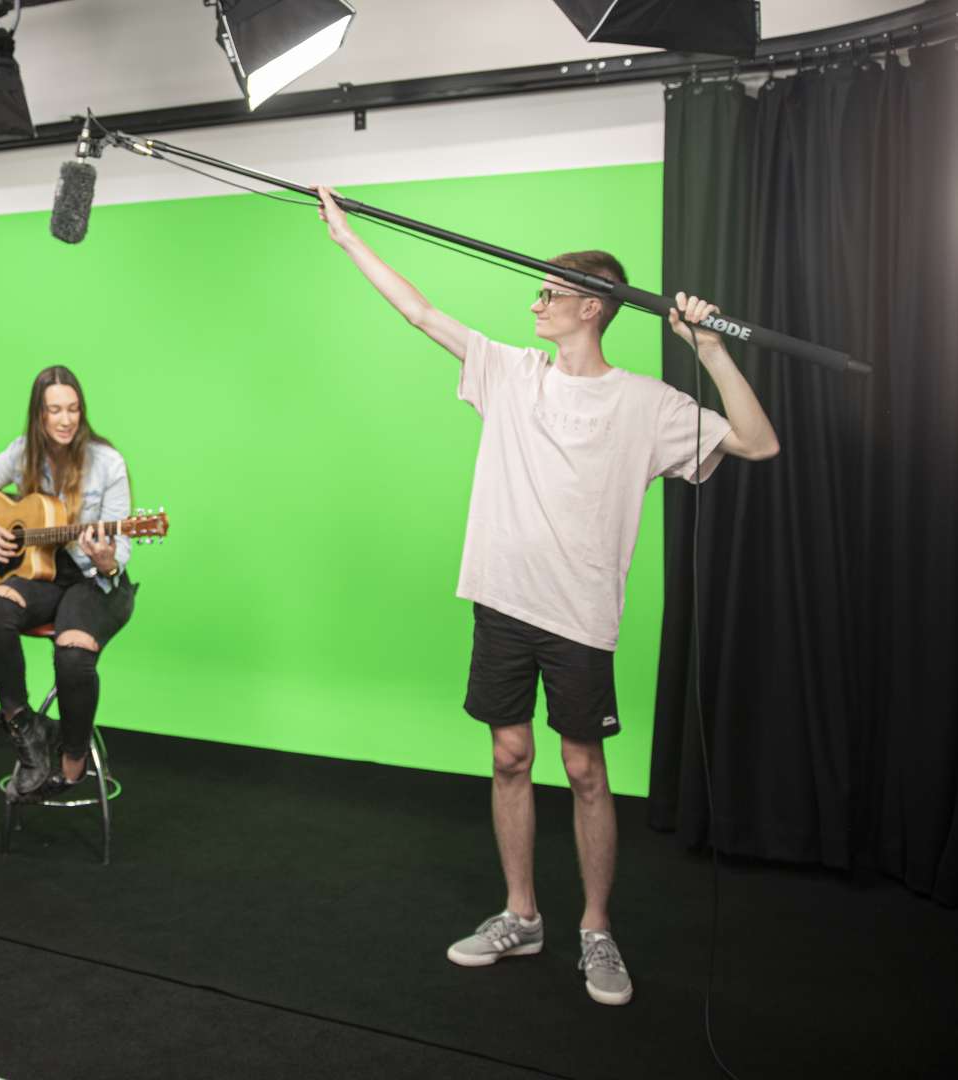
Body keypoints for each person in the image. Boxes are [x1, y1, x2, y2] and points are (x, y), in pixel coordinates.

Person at [315, 186, 780, 1007]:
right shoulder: (509, 372)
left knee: (584, 768)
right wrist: (348, 240)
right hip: (501, 601)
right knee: (509, 757)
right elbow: (422, 313)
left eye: (550, 292)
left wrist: (707, 348)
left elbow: (755, 440)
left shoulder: (646, 404)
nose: (536, 301)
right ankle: (520, 915)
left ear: (593, 307)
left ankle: (595, 930)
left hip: (579, 617)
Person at [0, 365, 138, 800]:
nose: (66, 419)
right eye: (55, 410)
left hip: (95, 582)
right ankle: (25, 728)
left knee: (72, 655)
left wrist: (105, 558)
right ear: (39, 415)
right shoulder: (23, 454)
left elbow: (120, 549)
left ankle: (72, 759)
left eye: (73, 409)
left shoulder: (107, 462)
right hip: (43, 574)